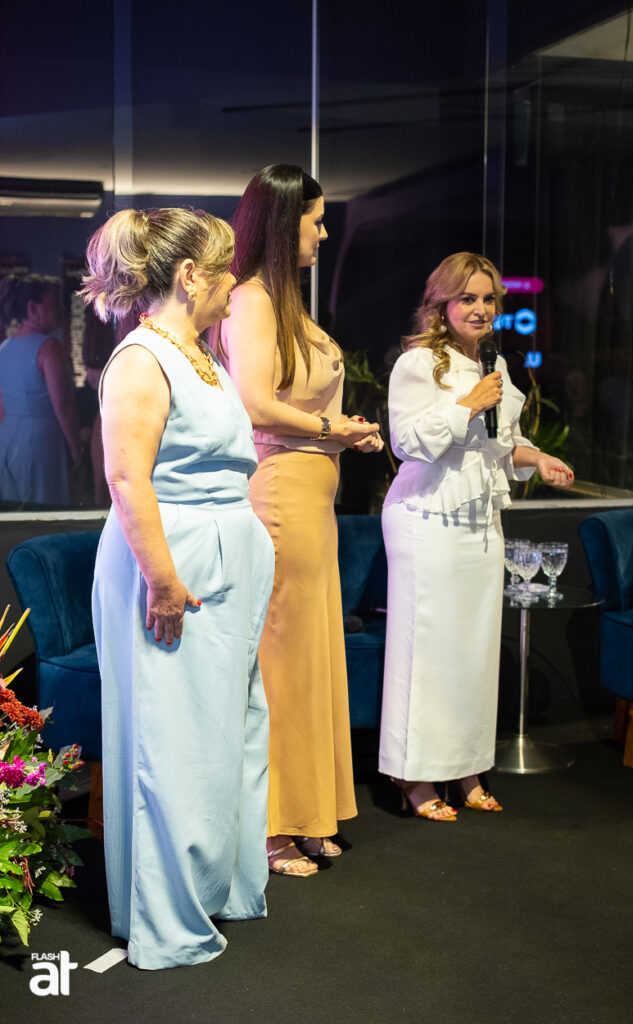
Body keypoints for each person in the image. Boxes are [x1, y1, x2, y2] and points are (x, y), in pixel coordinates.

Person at [80, 207, 275, 969]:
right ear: (191, 276)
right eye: (226, 270)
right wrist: (162, 581)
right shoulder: (141, 359)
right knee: (175, 739)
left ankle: (217, 885)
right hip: (174, 564)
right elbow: (128, 477)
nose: (235, 283)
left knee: (227, 729)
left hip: (223, 559)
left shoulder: (200, 353)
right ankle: (167, 917)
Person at [212, 164, 383, 877]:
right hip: (280, 493)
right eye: (315, 220)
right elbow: (256, 405)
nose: (324, 232)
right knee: (282, 659)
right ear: (287, 225)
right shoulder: (250, 300)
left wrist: (343, 435)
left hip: (314, 497)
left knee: (312, 656)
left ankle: (308, 812)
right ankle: (273, 823)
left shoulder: (287, 304)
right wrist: (335, 429)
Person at [379, 253, 573, 819]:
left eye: (489, 299)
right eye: (468, 298)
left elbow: (499, 446)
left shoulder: (496, 365)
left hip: (481, 517)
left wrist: (539, 458)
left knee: (474, 649)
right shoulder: (419, 363)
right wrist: (467, 405)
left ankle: (465, 766)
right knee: (428, 647)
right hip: (426, 516)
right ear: (442, 303)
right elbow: (406, 443)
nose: (481, 309)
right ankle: (414, 774)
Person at [0, 273, 83, 506]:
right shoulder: (48, 347)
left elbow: (2, 407)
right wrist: (76, 450)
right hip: (40, 440)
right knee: (44, 506)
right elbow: (63, 404)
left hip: (7, 437)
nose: (60, 310)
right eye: (54, 303)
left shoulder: (4, 348)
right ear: (33, 308)